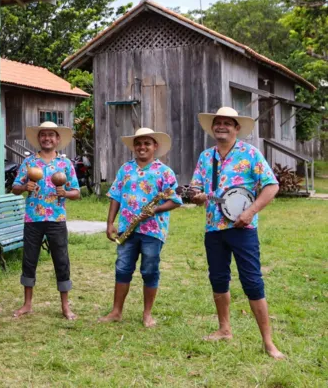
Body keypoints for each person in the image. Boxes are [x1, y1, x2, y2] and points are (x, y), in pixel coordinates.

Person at [190, 107, 285, 360]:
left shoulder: (250, 154)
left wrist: (250, 212)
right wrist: (197, 196)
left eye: (227, 123)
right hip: (213, 229)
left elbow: (271, 185)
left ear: (236, 128)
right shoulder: (205, 157)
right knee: (218, 279)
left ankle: (268, 342)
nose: (221, 126)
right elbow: (197, 190)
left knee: (252, 282)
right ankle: (224, 329)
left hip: (243, 229)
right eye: (217, 123)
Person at [99, 128, 183, 327]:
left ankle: (147, 314)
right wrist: (110, 223)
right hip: (127, 229)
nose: (142, 147)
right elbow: (115, 197)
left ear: (155, 147)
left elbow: (176, 201)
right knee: (122, 268)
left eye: (147, 143)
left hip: (153, 231)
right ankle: (116, 311)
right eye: (138, 143)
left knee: (149, 270)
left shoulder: (165, 172)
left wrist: (155, 210)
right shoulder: (125, 169)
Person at [11, 122, 80, 320]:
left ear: (57, 139)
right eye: (43, 135)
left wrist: (65, 192)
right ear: (39, 139)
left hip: (56, 218)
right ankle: (27, 304)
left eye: (51, 135)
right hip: (33, 218)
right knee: (29, 260)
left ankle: (65, 306)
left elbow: (76, 192)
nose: (47, 138)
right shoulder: (29, 163)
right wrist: (25, 187)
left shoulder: (65, 164)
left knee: (61, 260)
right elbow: (15, 187)